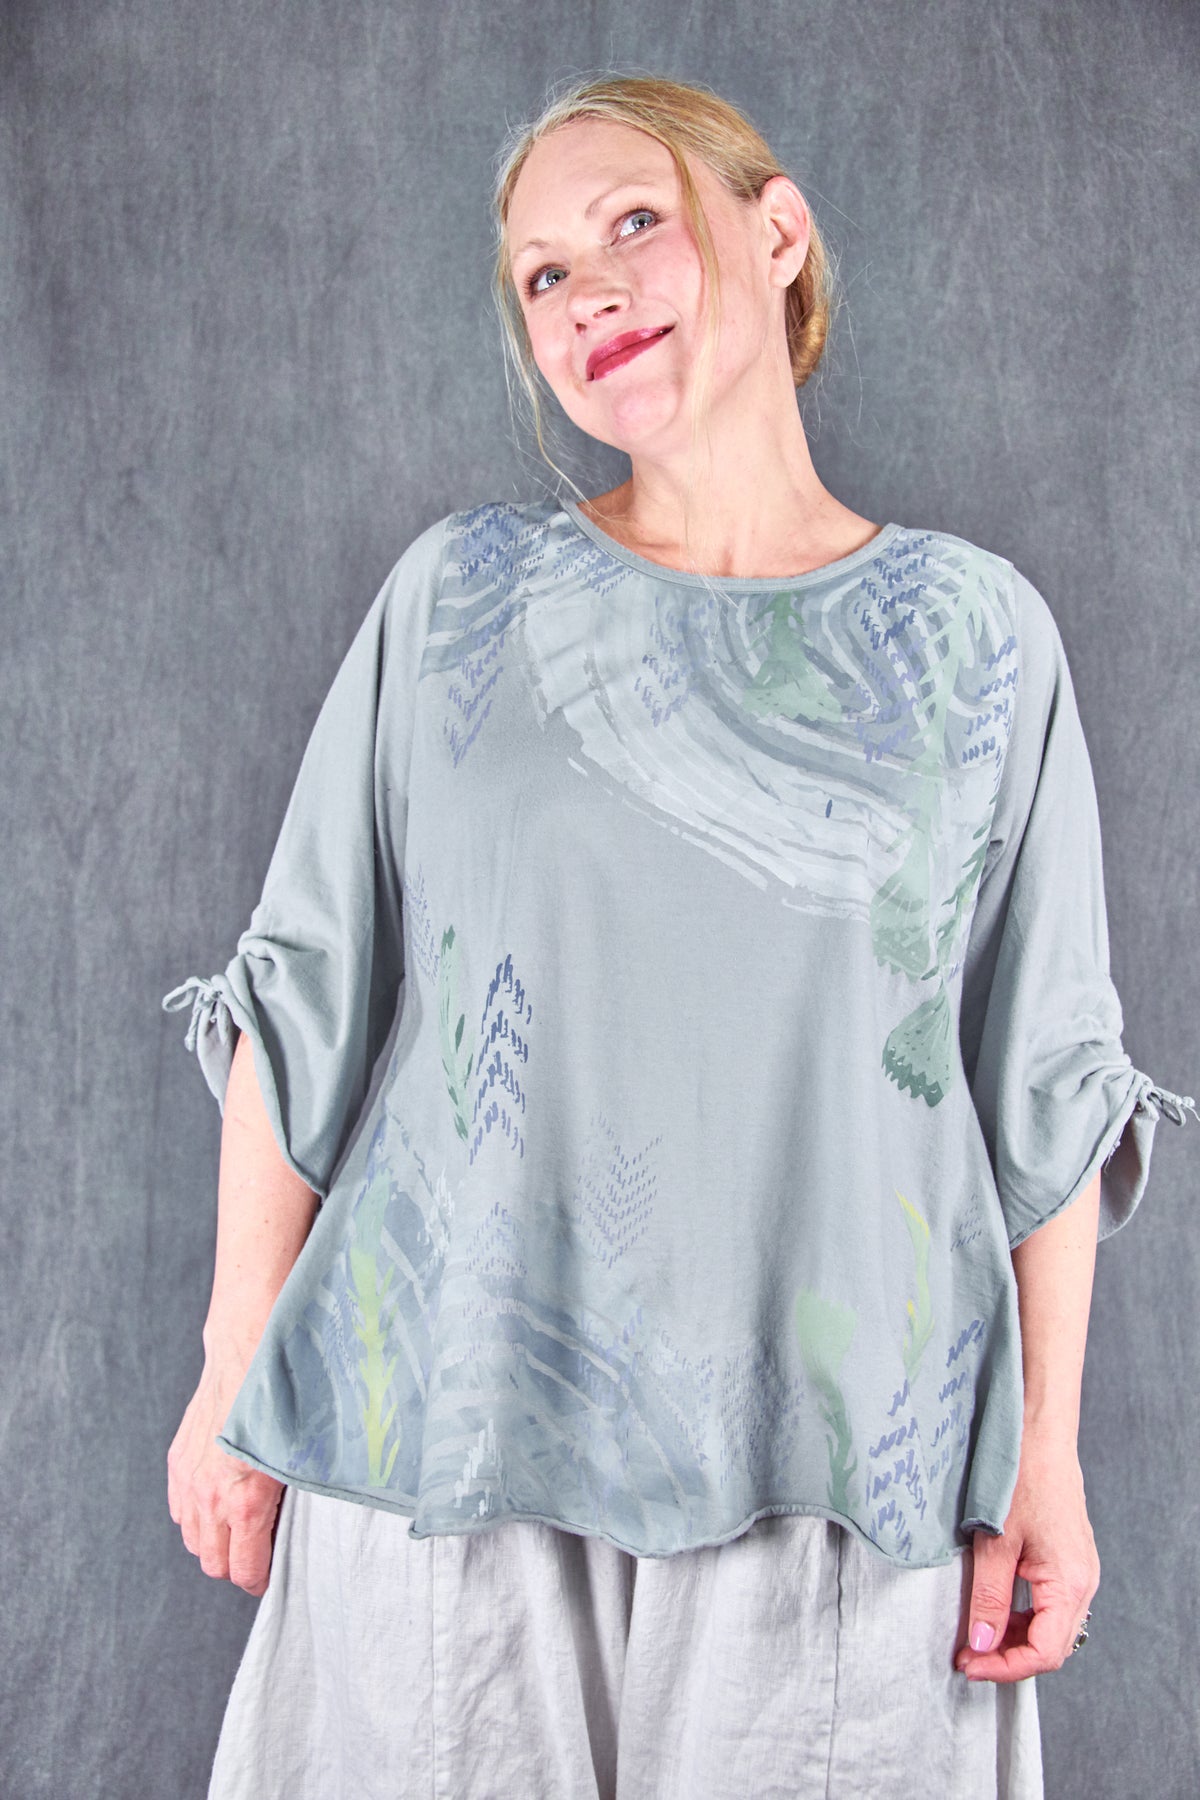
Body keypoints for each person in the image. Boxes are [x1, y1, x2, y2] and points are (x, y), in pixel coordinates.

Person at [162, 72, 1195, 1799]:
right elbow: (303, 992)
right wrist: (226, 1371)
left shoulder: (978, 638)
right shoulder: (460, 600)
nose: (589, 293)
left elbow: (1046, 1086)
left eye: (632, 221)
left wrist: (1049, 1461)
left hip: (845, 1480)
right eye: (542, 276)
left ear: (779, 232)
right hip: (448, 1453)